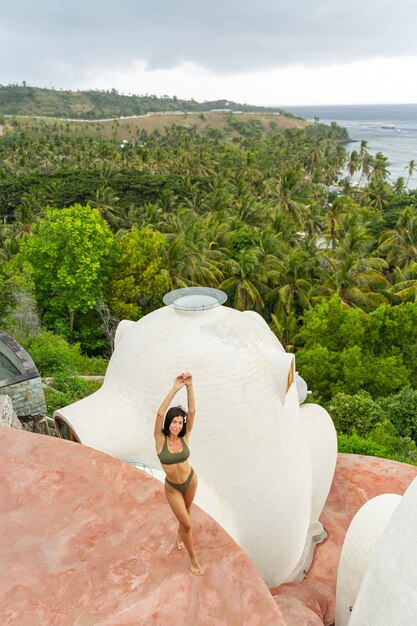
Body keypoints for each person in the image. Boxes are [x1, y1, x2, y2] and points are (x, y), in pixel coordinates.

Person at [154, 372, 203, 575]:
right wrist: (175, 388)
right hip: (173, 487)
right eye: (174, 422)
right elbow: (159, 413)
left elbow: (192, 413)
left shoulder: (185, 436)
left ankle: (179, 535)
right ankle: (194, 559)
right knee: (188, 524)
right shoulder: (159, 438)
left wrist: (190, 387)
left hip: (191, 481)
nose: (177, 426)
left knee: (187, 514)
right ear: (168, 423)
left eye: (180, 423)